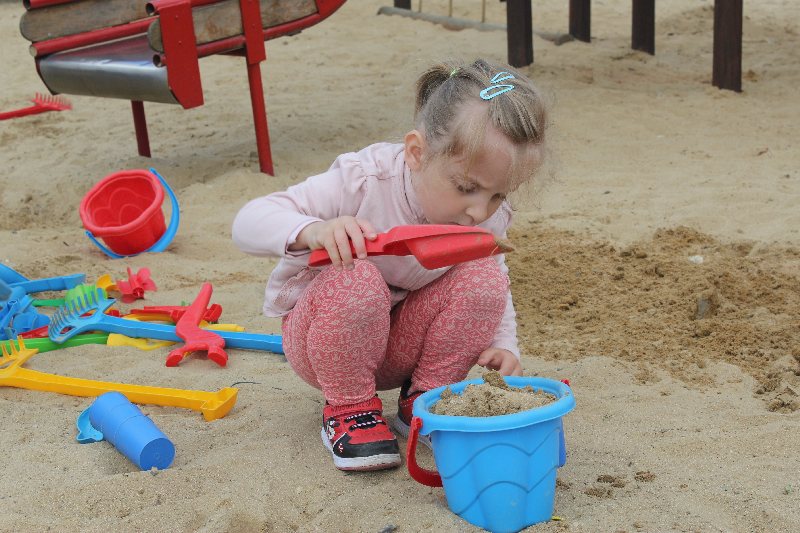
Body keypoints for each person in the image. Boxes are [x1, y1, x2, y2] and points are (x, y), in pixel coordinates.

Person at [232, 58, 549, 472]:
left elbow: (496, 281)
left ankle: (426, 400)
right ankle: (349, 409)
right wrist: (314, 230)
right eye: (466, 187)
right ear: (417, 153)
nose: (478, 211)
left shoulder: (485, 214)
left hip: (401, 348)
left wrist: (506, 344)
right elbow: (247, 222)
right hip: (325, 344)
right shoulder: (364, 179)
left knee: (483, 274)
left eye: (498, 195)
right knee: (358, 275)